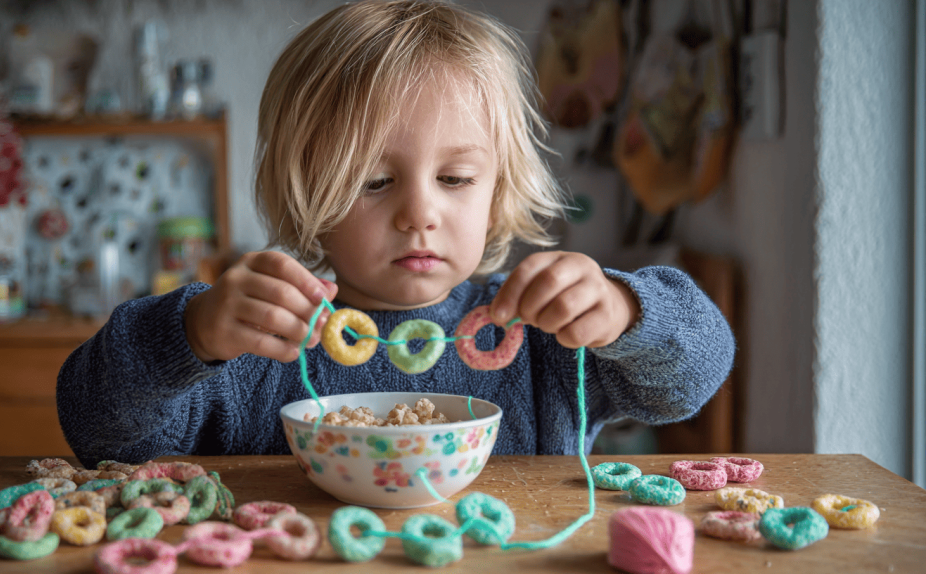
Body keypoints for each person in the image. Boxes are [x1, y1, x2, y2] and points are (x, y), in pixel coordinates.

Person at [57, 0, 735, 469]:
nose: (419, 214)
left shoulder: (542, 341)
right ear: (310, 195)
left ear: (499, 188)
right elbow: (100, 431)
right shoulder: (256, 344)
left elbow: (695, 376)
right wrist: (190, 334)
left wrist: (625, 313)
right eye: (375, 183)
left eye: (457, 178)